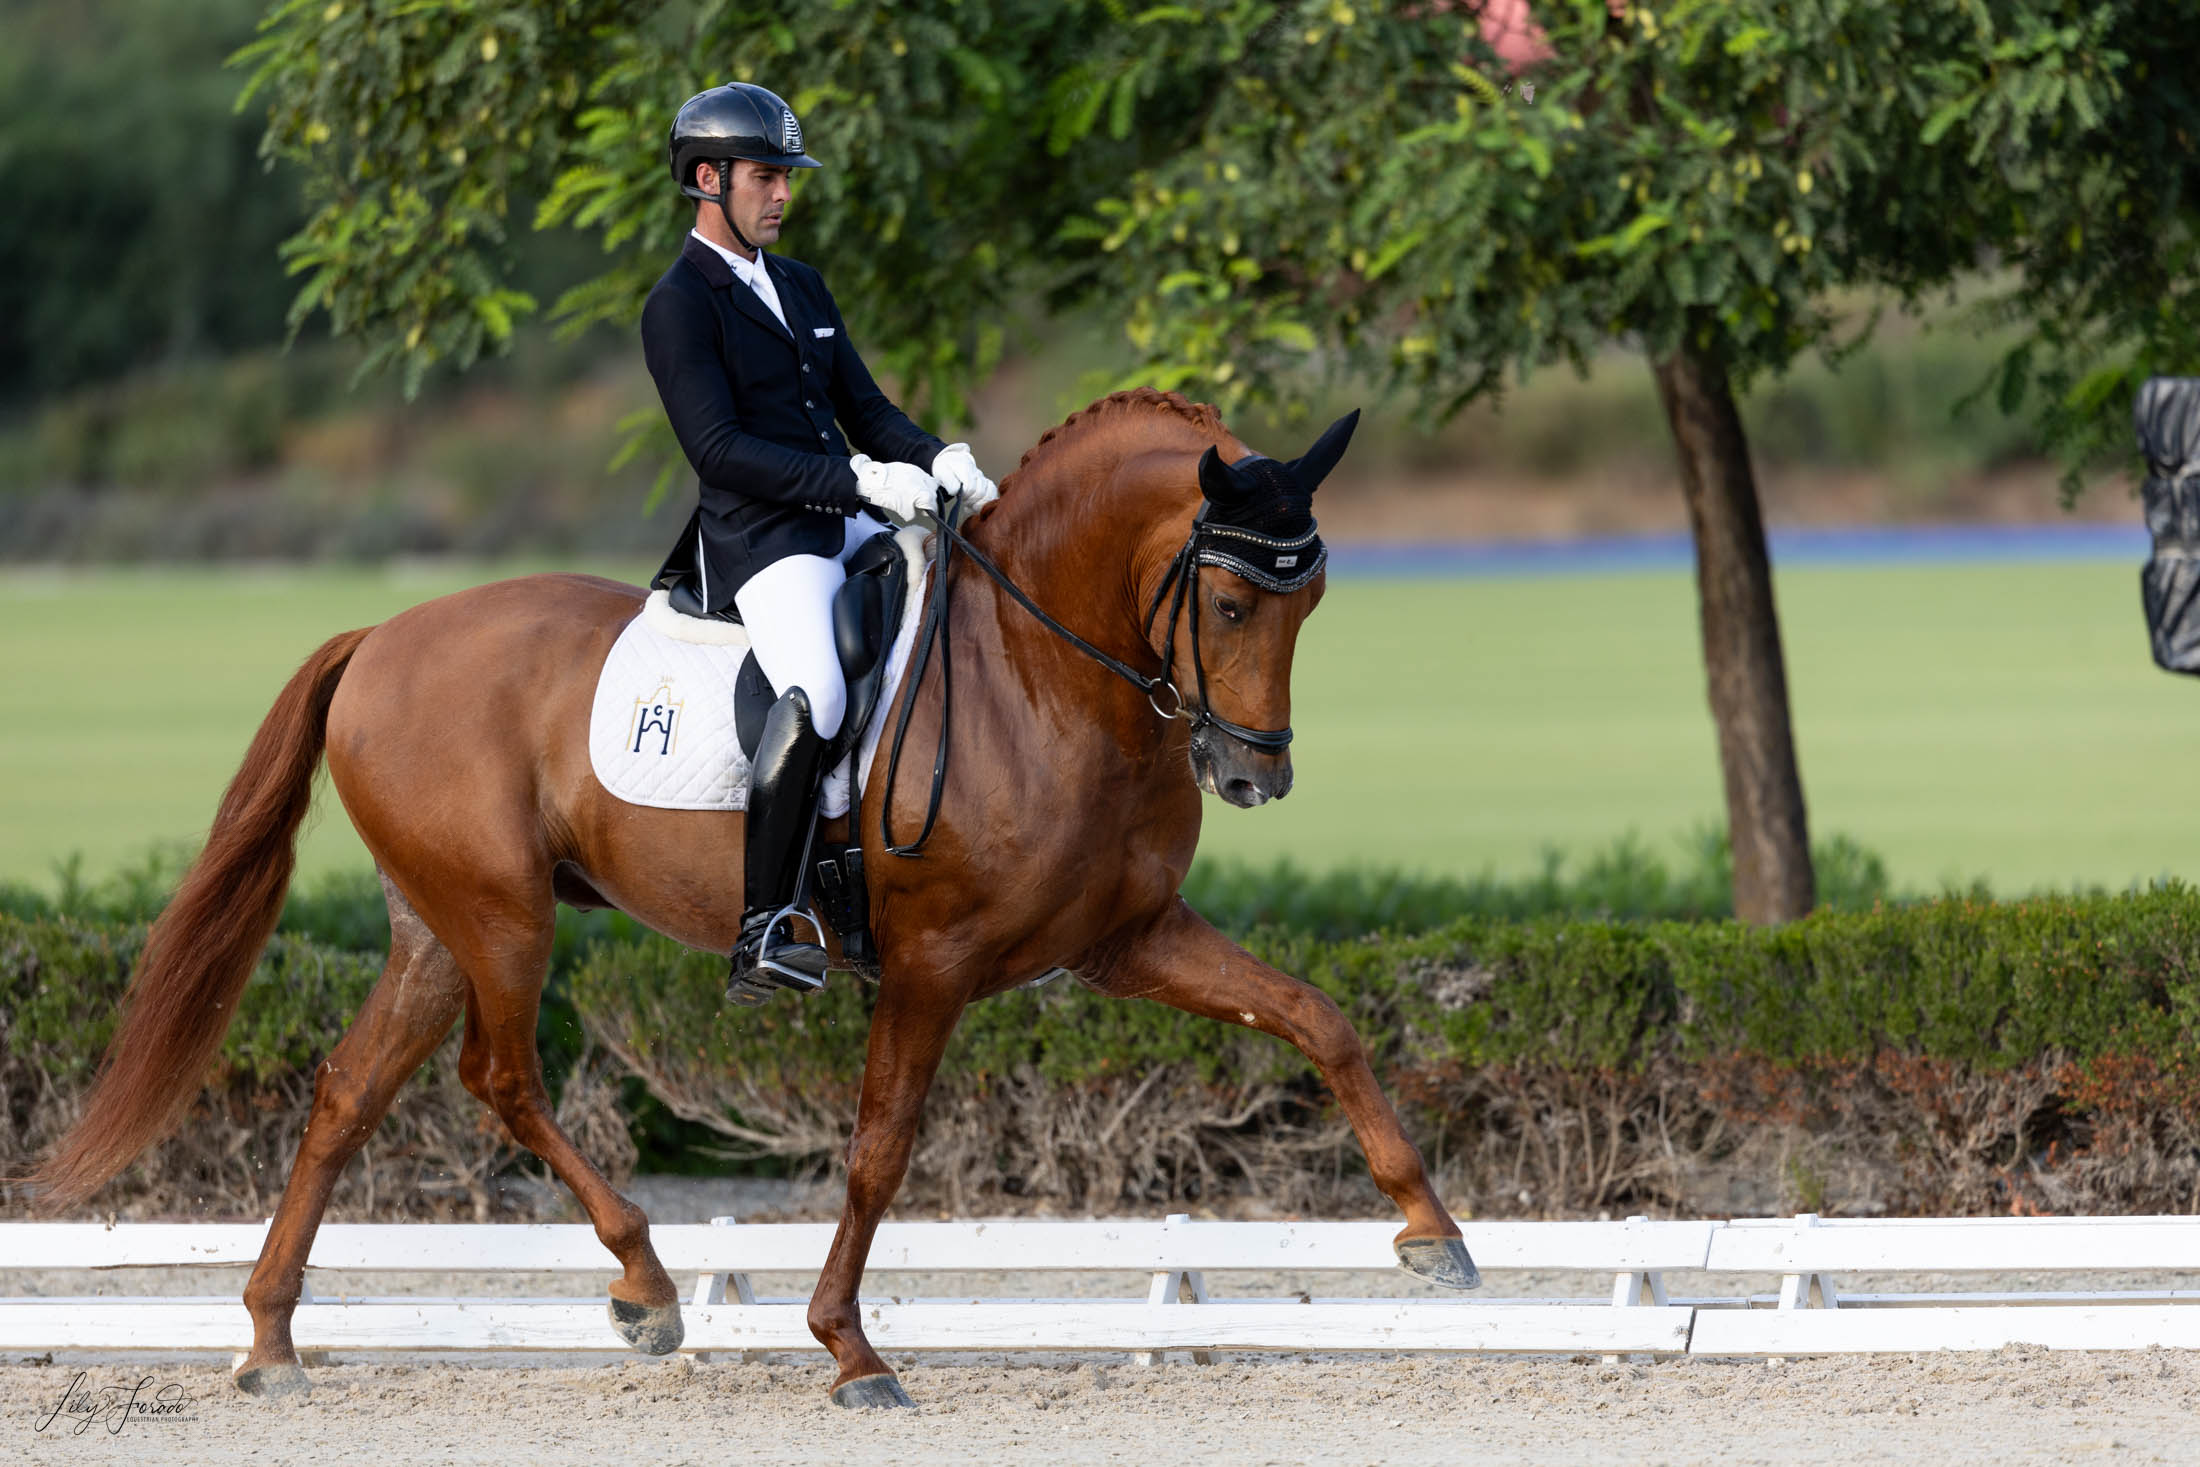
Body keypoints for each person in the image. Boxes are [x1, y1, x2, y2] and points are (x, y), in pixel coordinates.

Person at [641, 82, 999, 1000]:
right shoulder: (680, 304)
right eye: (766, 177)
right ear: (708, 178)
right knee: (821, 686)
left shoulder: (802, 286)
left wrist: (937, 456)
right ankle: (765, 925)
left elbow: (866, 411)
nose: (783, 194)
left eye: (787, 178)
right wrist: (857, 481)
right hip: (762, 541)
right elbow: (718, 450)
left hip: (849, 517)